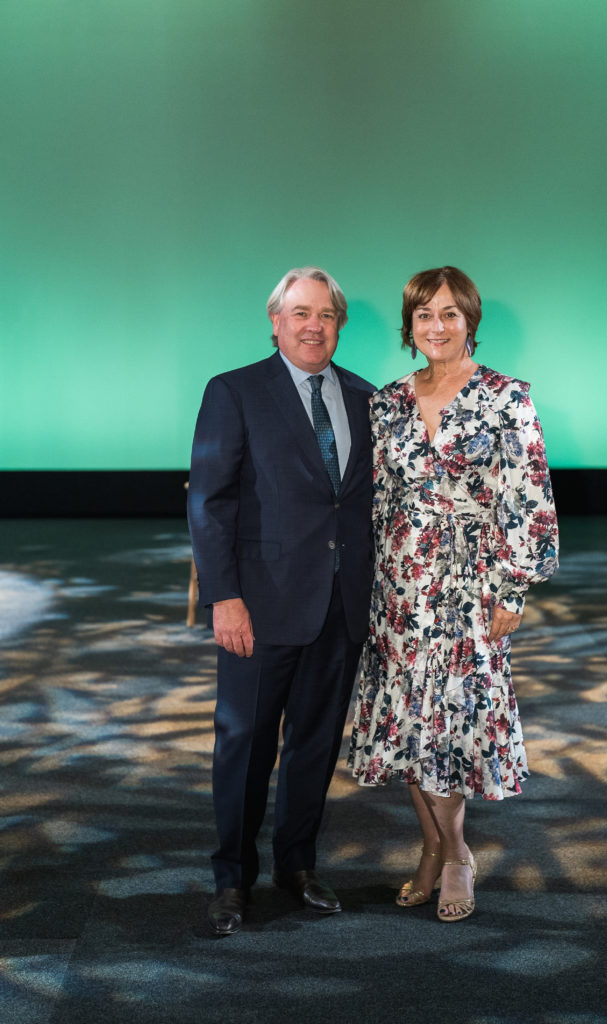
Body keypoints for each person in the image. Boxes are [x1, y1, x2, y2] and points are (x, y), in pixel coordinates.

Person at [348, 266, 558, 921]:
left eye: (448, 314)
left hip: (471, 586)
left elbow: (528, 498)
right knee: (409, 721)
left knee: (449, 721)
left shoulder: (505, 397)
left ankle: (458, 853)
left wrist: (513, 589)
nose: (436, 327)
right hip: (399, 586)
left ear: (470, 321)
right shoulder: (386, 402)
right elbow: (376, 501)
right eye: (423, 315)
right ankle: (432, 850)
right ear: (409, 326)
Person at [188, 266, 375, 936]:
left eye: (324, 314)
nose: (312, 325)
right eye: (299, 313)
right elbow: (209, 503)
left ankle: (296, 866)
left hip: (340, 607)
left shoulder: (363, 397)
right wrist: (225, 597)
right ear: (275, 321)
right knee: (244, 744)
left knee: (315, 745)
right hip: (258, 609)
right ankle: (231, 879)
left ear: (339, 324)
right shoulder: (234, 391)